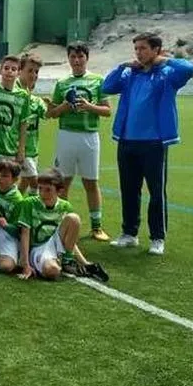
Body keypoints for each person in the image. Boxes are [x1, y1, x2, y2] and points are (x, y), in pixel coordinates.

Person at [103, 33, 193, 256]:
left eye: (143, 48)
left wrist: (165, 60)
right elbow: (107, 86)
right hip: (127, 141)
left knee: (156, 192)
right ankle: (129, 233)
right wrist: (122, 66)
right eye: (136, 48)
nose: (138, 53)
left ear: (156, 50)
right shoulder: (130, 74)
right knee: (129, 190)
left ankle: (157, 237)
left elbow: (189, 68)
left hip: (154, 143)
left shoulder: (168, 74)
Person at [46, 42, 112, 241]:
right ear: (68, 59)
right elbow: (52, 113)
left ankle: (96, 227)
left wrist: (89, 106)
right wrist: (64, 107)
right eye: (73, 57)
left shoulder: (98, 81)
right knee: (63, 182)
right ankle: (59, 223)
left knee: (91, 182)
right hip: (66, 136)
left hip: (89, 137)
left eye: (80, 56)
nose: (76, 60)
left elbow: (107, 111)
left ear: (87, 58)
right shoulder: (62, 83)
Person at [15, 169, 108, 281]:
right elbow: (24, 234)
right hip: (38, 248)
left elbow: (70, 241)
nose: (43, 193)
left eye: (48, 190)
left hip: (56, 243)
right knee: (52, 271)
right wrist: (25, 264)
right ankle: (55, 262)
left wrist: (85, 263)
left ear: (59, 191)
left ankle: (67, 261)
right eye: (40, 188)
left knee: (73, 218)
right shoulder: (29, 203)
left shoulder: (65, 206)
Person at [0, 55, 31, 188]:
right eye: (6, 68)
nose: (9, 71)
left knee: (9, 184)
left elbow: (23, 123)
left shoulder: (23, 96)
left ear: (19, 73)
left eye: (13, 69)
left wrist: (21, 149)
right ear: (0, 71)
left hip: (11, 148)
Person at [17, 54, 47, 196]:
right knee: (34, 182)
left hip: (33, 148)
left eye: (36, 71)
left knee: (24, 182)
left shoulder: (35, 99)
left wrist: (55, 106)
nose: (34, 75)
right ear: (20, 70)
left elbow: (48, 114)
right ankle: (32, 206)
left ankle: (14, 206)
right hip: (18, 148)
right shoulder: (15, 95)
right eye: (30, 70)